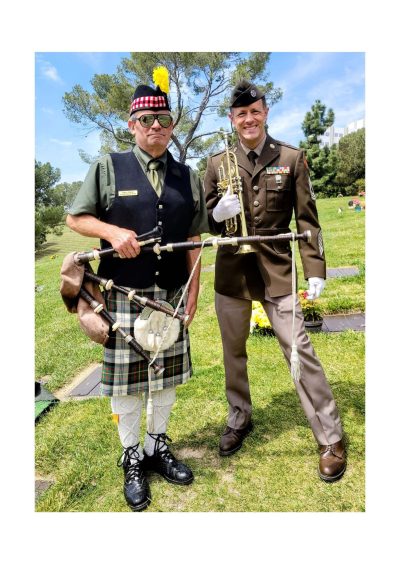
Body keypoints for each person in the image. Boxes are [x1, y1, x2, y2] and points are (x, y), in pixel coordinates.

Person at [66, 68, 209, 511]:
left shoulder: (188, 176)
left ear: (172, 125)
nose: (157, 128)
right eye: (147, 121)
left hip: (169, 294)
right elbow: (76, 218)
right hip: (122, 296)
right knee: (126, 386)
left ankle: (156, 446)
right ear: (132, 125)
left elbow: (196, 242)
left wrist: (193, 293)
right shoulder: (108, 167)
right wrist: (111, 233)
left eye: (164, 121)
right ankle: (131, 456)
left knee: (165, 378)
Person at [203, 79, 346, 482]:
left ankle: (330, 435)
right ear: (232, 120)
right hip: (232, 273)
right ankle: (239, 416)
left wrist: (316, 270)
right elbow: (201, 217)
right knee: (233, 353)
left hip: (277, 271)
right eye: (240, 114)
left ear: (265, 113)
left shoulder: (291, 157)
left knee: (299, 350)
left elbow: (307, 220)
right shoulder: (216, 164)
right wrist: (214, 214)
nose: (248, 119)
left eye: (255, 112)